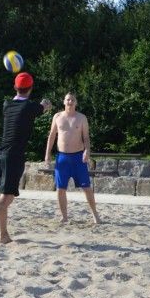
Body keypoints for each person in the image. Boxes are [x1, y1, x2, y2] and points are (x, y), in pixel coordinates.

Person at [0, 72, 51, 244]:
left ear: (15, 87)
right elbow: (44, 107)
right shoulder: (30, 107)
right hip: (13, 156)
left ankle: (4, 235)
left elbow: (30, 105)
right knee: (7, 198)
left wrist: (39, 105)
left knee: (3, 196)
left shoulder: (7, 104)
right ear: (31, 89)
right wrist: (45, 104)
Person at [44, 92, 102, 224]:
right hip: (62, 157)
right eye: (68, 99)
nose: (70, 102)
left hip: (78, 158)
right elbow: (52, 136)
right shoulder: (57, 116)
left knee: (86, 187)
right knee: (60, 189)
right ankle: (64, 216)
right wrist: (47, 154)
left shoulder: (81, 118)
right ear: (64, 102)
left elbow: (86, 137)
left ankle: (95, 214)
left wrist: (87, 150)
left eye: (72, 100)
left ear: (76, 103)